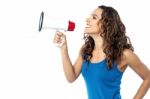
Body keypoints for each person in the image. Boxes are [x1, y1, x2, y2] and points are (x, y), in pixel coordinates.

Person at [53, 5, 150, 99]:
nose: (87, 19)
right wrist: (63, 48)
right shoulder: (86, 50)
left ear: (106, 25)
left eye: (94, 17)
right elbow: (71, 77)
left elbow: (148, 77)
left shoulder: (124, 54)